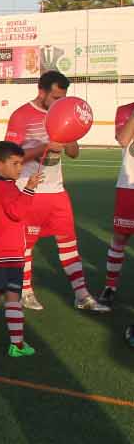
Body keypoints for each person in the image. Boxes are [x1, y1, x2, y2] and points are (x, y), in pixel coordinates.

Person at [7, 71, 107, 312]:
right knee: (26, 244)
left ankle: (81, 295)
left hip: (56, 191)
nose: (60, 102)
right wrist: (44, 147)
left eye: (63, 97)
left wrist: (68, 136)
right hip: (28, 189)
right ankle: (26, 292)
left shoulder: (63, 113)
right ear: (41, 92)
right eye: (55, 97)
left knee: (69, 243)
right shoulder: (21, 116)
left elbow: (73, 154)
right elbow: (9, 159)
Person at [0, 141, 45, 356]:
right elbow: (17, 212)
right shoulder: (7, 189)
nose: (20, 168)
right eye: (15, 163)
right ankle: (17, 345)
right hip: (10, 253)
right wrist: (30, 189)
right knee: (13, 297)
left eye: (21, 163)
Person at [102, 102, 134, 304]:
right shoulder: (125, 110)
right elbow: (123, 140)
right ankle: (110, 286)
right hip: (128, 185)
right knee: (120, 237)